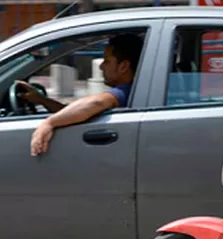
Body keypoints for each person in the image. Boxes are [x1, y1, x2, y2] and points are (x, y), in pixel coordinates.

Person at [16, 33, 144, 156]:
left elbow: (96, 103)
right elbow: (74, 113)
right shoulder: (136, 89)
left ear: (123, 66)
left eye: (107, 61)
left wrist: (49, 123)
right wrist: (42, 100)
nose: (101, 67)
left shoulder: (125, 91)